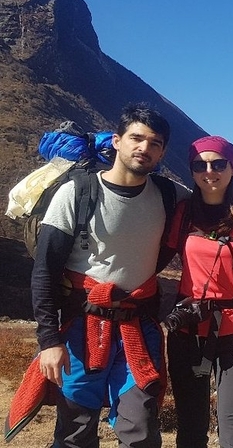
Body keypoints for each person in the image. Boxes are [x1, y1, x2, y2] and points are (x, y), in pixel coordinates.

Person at [31, 103, 178, 447]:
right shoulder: (76, 193)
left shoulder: (169, 195)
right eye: (136, 138)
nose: (144, 148)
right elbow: (45, 271)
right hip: (81, 328)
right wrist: (49, 341)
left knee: (140, 429)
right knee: (75, 432)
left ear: (162, 152)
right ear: (116, 140)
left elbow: (211, 208)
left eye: (154, 143)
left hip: (137, 329)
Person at [162, 135, 233, 448]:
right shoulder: (182, 213)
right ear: (192, 169)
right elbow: (152, 260)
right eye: (200, 164)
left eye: (218, 163)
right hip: (188, 330)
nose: (209, 170)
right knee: (190, 431)